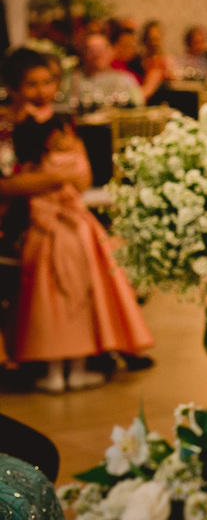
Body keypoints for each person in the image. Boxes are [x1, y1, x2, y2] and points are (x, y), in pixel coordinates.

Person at [1, 48, 153, 393]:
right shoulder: (6, 128)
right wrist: (55, 177)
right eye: (32, 84)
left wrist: (56, 174)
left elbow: (83, 177)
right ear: (13, 87)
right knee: (69, 242)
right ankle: (57, 357)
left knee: (91, 237)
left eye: (47, 82)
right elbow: (7, 185)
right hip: (20, 219)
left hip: (61, 212)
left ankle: (89, 352)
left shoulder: (60, 123)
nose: (42, 91)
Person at [66, 33, 145, 108]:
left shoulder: (125, 79)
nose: (97, 55)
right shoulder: (73, 81)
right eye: (92, 50)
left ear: (110, 52)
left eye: (101, 50)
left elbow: (138, 106)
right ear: (83, 54)